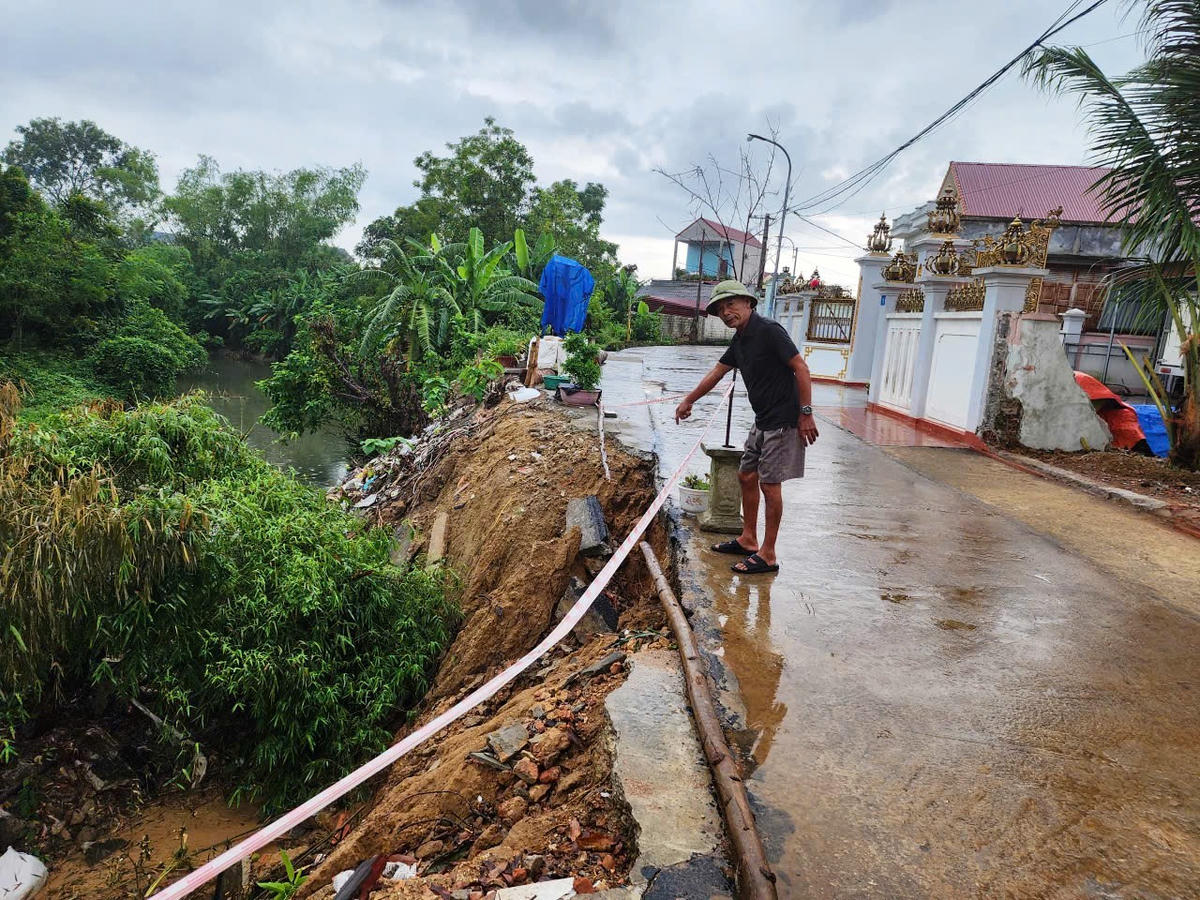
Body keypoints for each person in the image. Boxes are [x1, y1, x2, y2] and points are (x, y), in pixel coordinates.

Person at [675, 280, 818, 575]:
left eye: (731, 304)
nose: (726, 312)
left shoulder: (768, 331)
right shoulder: (739, 340)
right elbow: (717, 372)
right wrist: (688, 400)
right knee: (746, 474)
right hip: (763, 418)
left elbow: (800, 368)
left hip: (783, 419)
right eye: (720, 309)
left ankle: (768, 554)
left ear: (748, 303)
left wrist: (805, 414)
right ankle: (749, 538)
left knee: (769, 484)